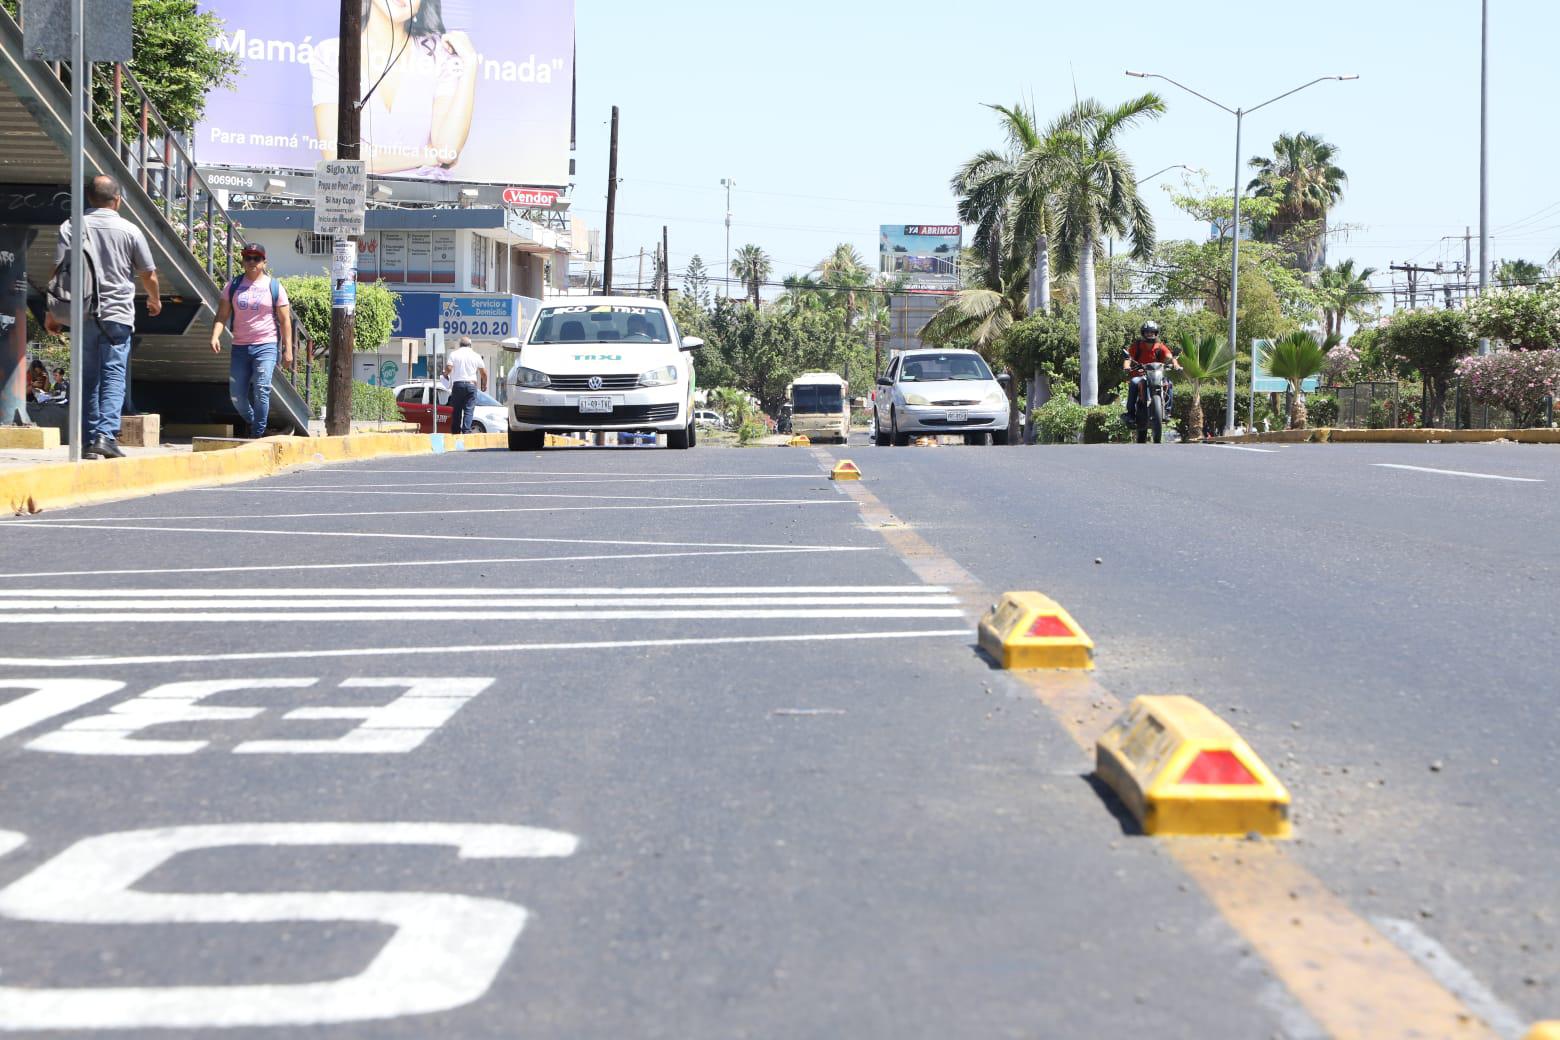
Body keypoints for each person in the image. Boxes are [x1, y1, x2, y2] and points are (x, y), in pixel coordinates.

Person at [50, 175, 160, 459]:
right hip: (117, 314)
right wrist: (154, 298)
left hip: (82, 312)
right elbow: (148, 273)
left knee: (87, 378)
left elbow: (58, 271)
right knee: (113, 375)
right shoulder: (129, 230)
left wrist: (53, 312)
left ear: (89, 198)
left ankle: (89, 441)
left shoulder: (71, 225)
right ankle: (105, 436)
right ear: (118, 199)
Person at [310, 0, 479, 177]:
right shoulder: (331, 53)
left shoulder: (438, 54)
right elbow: (337, 156)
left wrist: (470, 64)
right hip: (356, 198)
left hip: (425, 198)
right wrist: (427, 156)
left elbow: (447, 150)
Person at [211, 244, 293, 439]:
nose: (252, 262)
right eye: (248, 258)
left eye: (257, 258)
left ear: (264, 262)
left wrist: (287, 350)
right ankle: (257, 424)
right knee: (237, 396)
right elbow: (222, 316)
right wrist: (215, 335)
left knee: (261, 389)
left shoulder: (274, 287)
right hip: (240, 347)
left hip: (266, 345)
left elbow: (285, 321)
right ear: (243, 261)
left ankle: (256, 435)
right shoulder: (233, 286)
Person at [1122, 321, 1180, 425]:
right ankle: (1130, 414)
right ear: (1143, 333)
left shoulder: (1160, 346)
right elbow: (1128, 358)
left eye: (1152, 332)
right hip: (1140, 375)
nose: (1150, 334)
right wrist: (1126, 366)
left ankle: (1167, 411)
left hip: (1157, 375)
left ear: (1156, 333)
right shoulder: (1137, 346)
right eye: (1147, 332)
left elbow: (1170, 357)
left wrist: (1176, 364)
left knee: (1169, 383)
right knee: (1134, 383)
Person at [442, 335, 486, 434]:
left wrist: (445, 375)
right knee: (469, 410)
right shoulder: (476, 355)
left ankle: (455, 432)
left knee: (457, 410)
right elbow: (483, 373)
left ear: (460, 345)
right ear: (470, 345)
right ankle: (466, 431)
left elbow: (449, 368)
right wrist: (484, 384)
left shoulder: (454, 354)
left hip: (458, 385)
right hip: (471, 385)